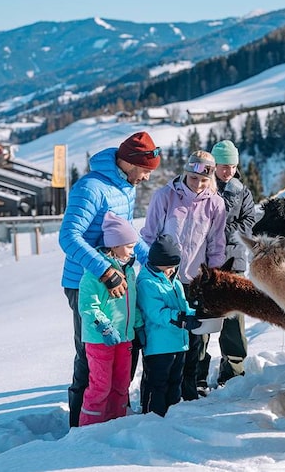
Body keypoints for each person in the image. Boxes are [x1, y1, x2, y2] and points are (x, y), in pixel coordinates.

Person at [59, 131, 160, 428]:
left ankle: (112, 418)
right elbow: (68, 237)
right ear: (129, 162)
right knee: (91, 353)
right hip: (85, 282)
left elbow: (127, 235)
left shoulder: (124, 186)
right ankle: (79, 425)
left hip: (118, 280)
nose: (146, 178)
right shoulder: (91, 188)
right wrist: (105, 271)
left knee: (122, 349)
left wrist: (157, 263)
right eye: (145, 171)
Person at [140, 150, 226, 401]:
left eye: (203, 180)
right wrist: (152, 271)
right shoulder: (165, 196)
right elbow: (148, 236)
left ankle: (188, 394)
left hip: (195, 280)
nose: (198, 184)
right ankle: (156, 395)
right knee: (164, 339)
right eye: (192, 178)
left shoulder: (215, 203)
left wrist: (212, 278)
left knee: (194, 342)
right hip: (165, 280)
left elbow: (216, 244)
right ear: (185, 173)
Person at [78, 212, 141, 426]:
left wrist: (138, 323)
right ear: (114, 245)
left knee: (122, 383)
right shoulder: (95, 273)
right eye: (129, 246)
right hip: (100, 340)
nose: (133, 251)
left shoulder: (129, 271)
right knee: (101, 386)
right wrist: (104, 326)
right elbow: (87, 306)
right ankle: (90, 427)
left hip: (125, 338)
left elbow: (132, 302)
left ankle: (117, 423)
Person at [206, 140, 255, 386]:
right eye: (224, 166)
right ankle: (197, 373)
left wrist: (219, 231)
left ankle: (234, 372)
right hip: (205, 265)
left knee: (234, 321)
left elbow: (249, 224)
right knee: (203, 320)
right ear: (214, 165)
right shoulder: (204, 188)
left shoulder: (242, 192)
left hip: (234, 263)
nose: (228, 171)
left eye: (233, 166)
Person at [136, 234, 202, 416]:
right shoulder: (147, 283)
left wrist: (195, 314)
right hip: (159, 346)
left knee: (175, 383)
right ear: (156, 264)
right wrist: (180, 318)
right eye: (167, 268)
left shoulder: (175, 282)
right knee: (158, 384)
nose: (171, 271)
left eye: (173, 267)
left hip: (178, 343)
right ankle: (152, 417)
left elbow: (183, 305)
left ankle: (171, 417)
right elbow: (157, 313)